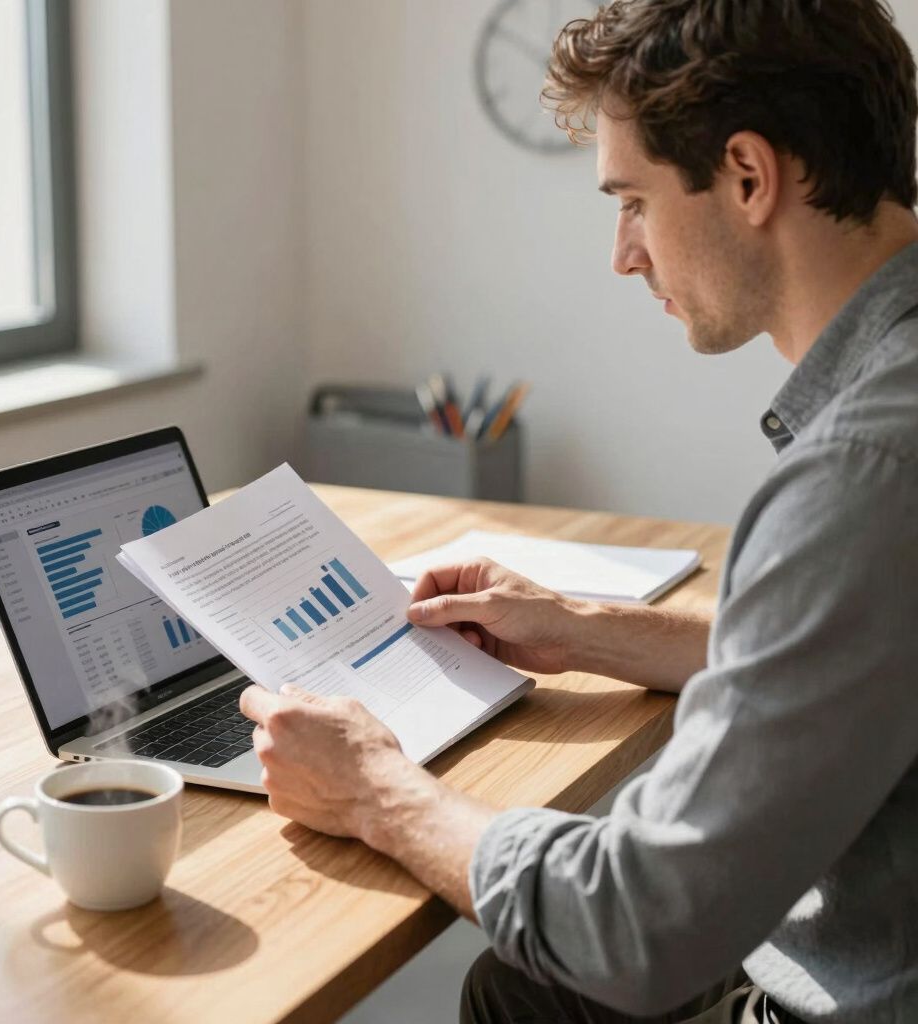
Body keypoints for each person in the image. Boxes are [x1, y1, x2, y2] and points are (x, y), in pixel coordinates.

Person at [241, 1, 918, 1020]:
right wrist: (591, 630)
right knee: (518, 989)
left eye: (632, 200)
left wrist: (376, 787)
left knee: (531, 990)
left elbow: (636, 922)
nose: (623, 253)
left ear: (746, 175)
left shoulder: (861, 469)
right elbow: (859, 652)